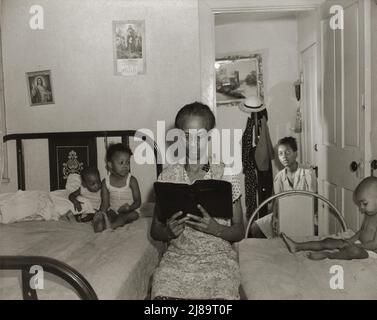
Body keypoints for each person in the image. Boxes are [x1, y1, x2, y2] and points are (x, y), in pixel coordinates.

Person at [150, 102, 244, 300]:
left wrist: (216, 229)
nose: (193, 143)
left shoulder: (226, 174)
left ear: (209, 136)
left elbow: (239, 230)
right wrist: (167, 232)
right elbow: (155, 230)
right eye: (186, 136)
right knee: (161, 294)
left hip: (218, 260)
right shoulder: (167, 178)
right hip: (178, 261)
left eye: (199, 136)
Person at [281, 176, 377, 260]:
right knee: (328, 242)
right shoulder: (369, 213)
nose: (361, 208)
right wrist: (350, 240)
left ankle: (328, 255)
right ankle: (297, 246)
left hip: (370, 252)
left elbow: (374, 244)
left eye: (364, 203)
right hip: (360, 243)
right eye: (360, 204)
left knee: (354, 251)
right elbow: (362, 231)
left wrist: (357, 245)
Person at [250, 136, 317, 238]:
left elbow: (315, 201)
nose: (284, 157)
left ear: (295, 153)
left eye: (287, 152)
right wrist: (276, 217)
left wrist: (300, 217)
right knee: (255, 228)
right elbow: (276, 202)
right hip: (284, 214)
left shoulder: (307, 172)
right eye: (280, 154)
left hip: (305, 214)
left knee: (310, 230)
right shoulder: (279, 177)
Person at [93, 143, 140, 233]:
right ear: (110, 165)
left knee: (126, 216)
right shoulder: (105, 182)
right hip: (114, 210)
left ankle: (111, 226)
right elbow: (105, 204)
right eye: (121, 162)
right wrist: (101, 214)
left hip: (130, 211)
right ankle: (102, 225)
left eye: (128, 162)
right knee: (106, 216)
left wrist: (129, 208)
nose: (126, 166)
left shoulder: (131, 180)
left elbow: (138, 201)